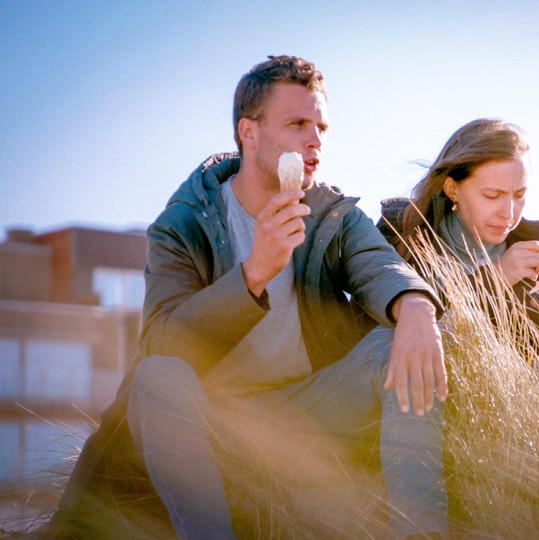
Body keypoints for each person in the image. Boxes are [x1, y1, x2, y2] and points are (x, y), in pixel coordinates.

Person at [50, 55, 448, 539]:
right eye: (298, 123)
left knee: (397, 345)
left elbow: (380, 266)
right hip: (212, 428)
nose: (315, 140)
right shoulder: (184, 225)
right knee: (158, 374)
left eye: (321, 126)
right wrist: (255, 273)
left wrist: (416, 307)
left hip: (306, 415)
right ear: (249, 133)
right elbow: (162, 342)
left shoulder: (330, 214)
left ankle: (422, 532)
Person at [378, 118, 539, 340]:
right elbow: (397, 332)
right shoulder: (401, 230)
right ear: (452, 189)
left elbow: (513, 365)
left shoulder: (531, 261)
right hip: (389, 367)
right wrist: (496, 278)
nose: (508, 212)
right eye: (492, 196)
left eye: (519, 195)